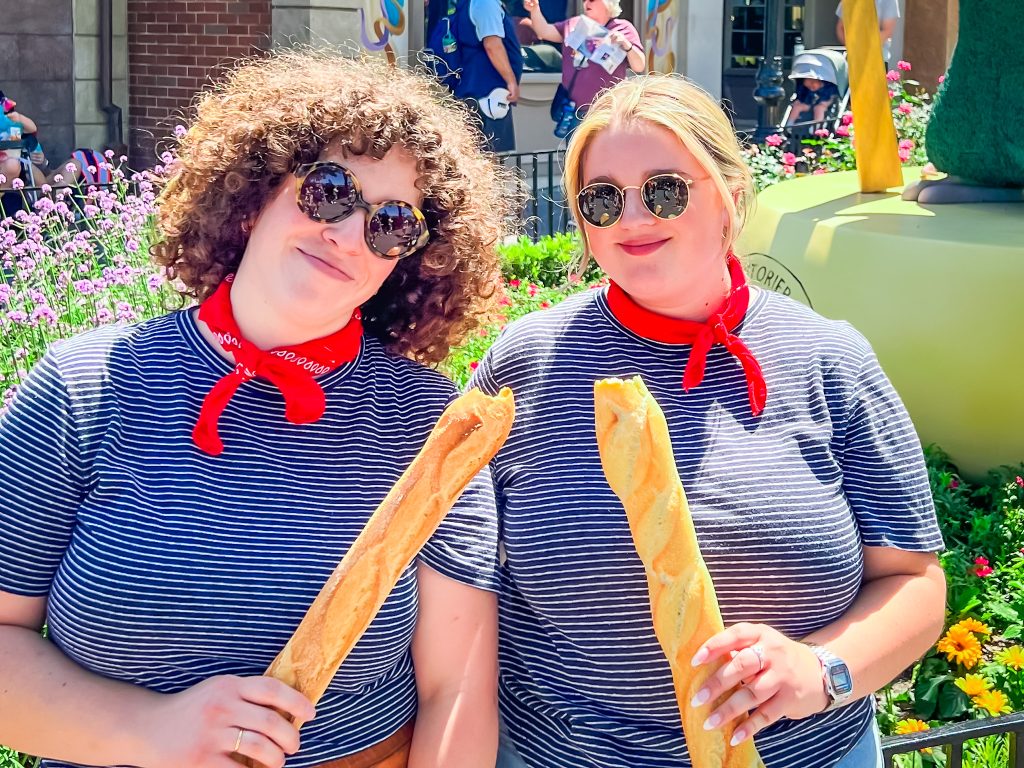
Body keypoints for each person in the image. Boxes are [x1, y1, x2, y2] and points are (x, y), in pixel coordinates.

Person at [0, 49, 515, 768]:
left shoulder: (428, 422)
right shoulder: (83, 388)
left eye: (393, 223)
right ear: (254, 196)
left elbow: (454, 685)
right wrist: (151, 730)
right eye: (330, 190)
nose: (348, 234)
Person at [471, 74, 946, 768]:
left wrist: (821, 671)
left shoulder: (828, 357)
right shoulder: (527, 363)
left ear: (728, 191)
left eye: (664, 188)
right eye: (602, 199)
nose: (633, 218)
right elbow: (455, 576)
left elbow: (914, 582)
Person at [523, 0, 644, 132]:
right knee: (577, 152)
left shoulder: (623, 28)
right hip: (575, 111)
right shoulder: (575, 24)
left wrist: (627, 45)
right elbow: (544, 31)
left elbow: (639, 66)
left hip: (608, 111)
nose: (586, 3)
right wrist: (534, 10)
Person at [427, 0, 524, 153]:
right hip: (488, 94)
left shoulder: (469, 4)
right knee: (489, 159)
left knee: (474, 157)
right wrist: (511, 80)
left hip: (471, 91)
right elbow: (492, 45)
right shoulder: (486, 3)